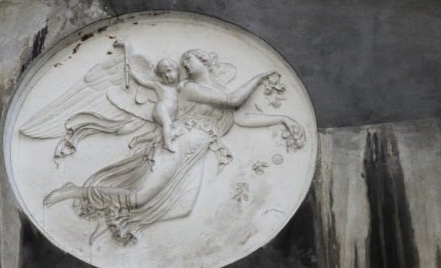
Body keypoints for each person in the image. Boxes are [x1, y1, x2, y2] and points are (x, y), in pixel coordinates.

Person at [44, 48, 304, 245]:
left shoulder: (214, 90)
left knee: (181, 208)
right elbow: (232, 101)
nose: (184, 64)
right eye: (183, 62)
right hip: (180, 144)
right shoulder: (188, 88)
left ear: (204, 61)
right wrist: (258, 78)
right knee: (142, 197)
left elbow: (242, 117)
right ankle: (75, 191)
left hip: (195, 151)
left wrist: (282, 118)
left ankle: (117, 215)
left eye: (189, 59)